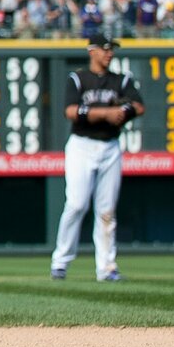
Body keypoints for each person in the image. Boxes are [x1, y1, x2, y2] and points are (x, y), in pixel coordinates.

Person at [50, 34, 145, 282]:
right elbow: (70, 111)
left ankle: (107, 268)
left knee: (106, 211)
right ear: (92, 51)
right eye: (105, 49)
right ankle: (60, 262)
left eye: (111, 49)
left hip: (110, 146)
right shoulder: (79, 79)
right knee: (77, 204)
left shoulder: (121, 80)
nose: (109, 53)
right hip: (82, 146)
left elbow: (138, 106)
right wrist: (106, 112)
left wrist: (122, 111)